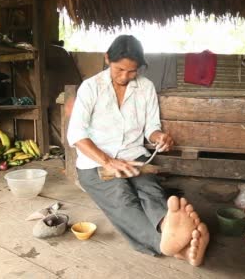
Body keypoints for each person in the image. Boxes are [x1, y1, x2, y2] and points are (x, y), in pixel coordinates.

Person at [67, 35, 209, 266]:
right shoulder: (91, 87)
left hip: (134, 157)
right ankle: (168, 244)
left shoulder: (145, 87)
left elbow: (151, 128)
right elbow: (76, 135)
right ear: (107, 59)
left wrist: (159, 137)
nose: (125, 76)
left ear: (140, 67)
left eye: (132, 71)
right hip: (95, 164)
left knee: (149, 190)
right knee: (121, 197)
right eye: (119, 69)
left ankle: (168, 225)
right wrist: (107, 161)